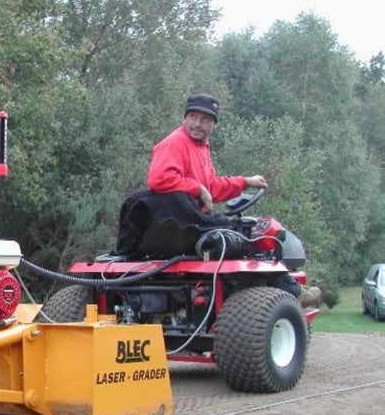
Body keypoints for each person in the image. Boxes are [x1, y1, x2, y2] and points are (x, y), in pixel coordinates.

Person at [122, 93, 321, 307]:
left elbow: (212, 188)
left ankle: (254, 297)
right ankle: (291, 291)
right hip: (186, 225)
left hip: (187, 223)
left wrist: (245, 182)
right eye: (193, 116)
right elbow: (158, 179)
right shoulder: (175, 143)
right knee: (250, 239)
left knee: (240, 234)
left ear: (214, 124)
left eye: (205, 119)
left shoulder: (200, 148)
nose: (198, 124)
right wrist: (197, 189)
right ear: (185, 118)